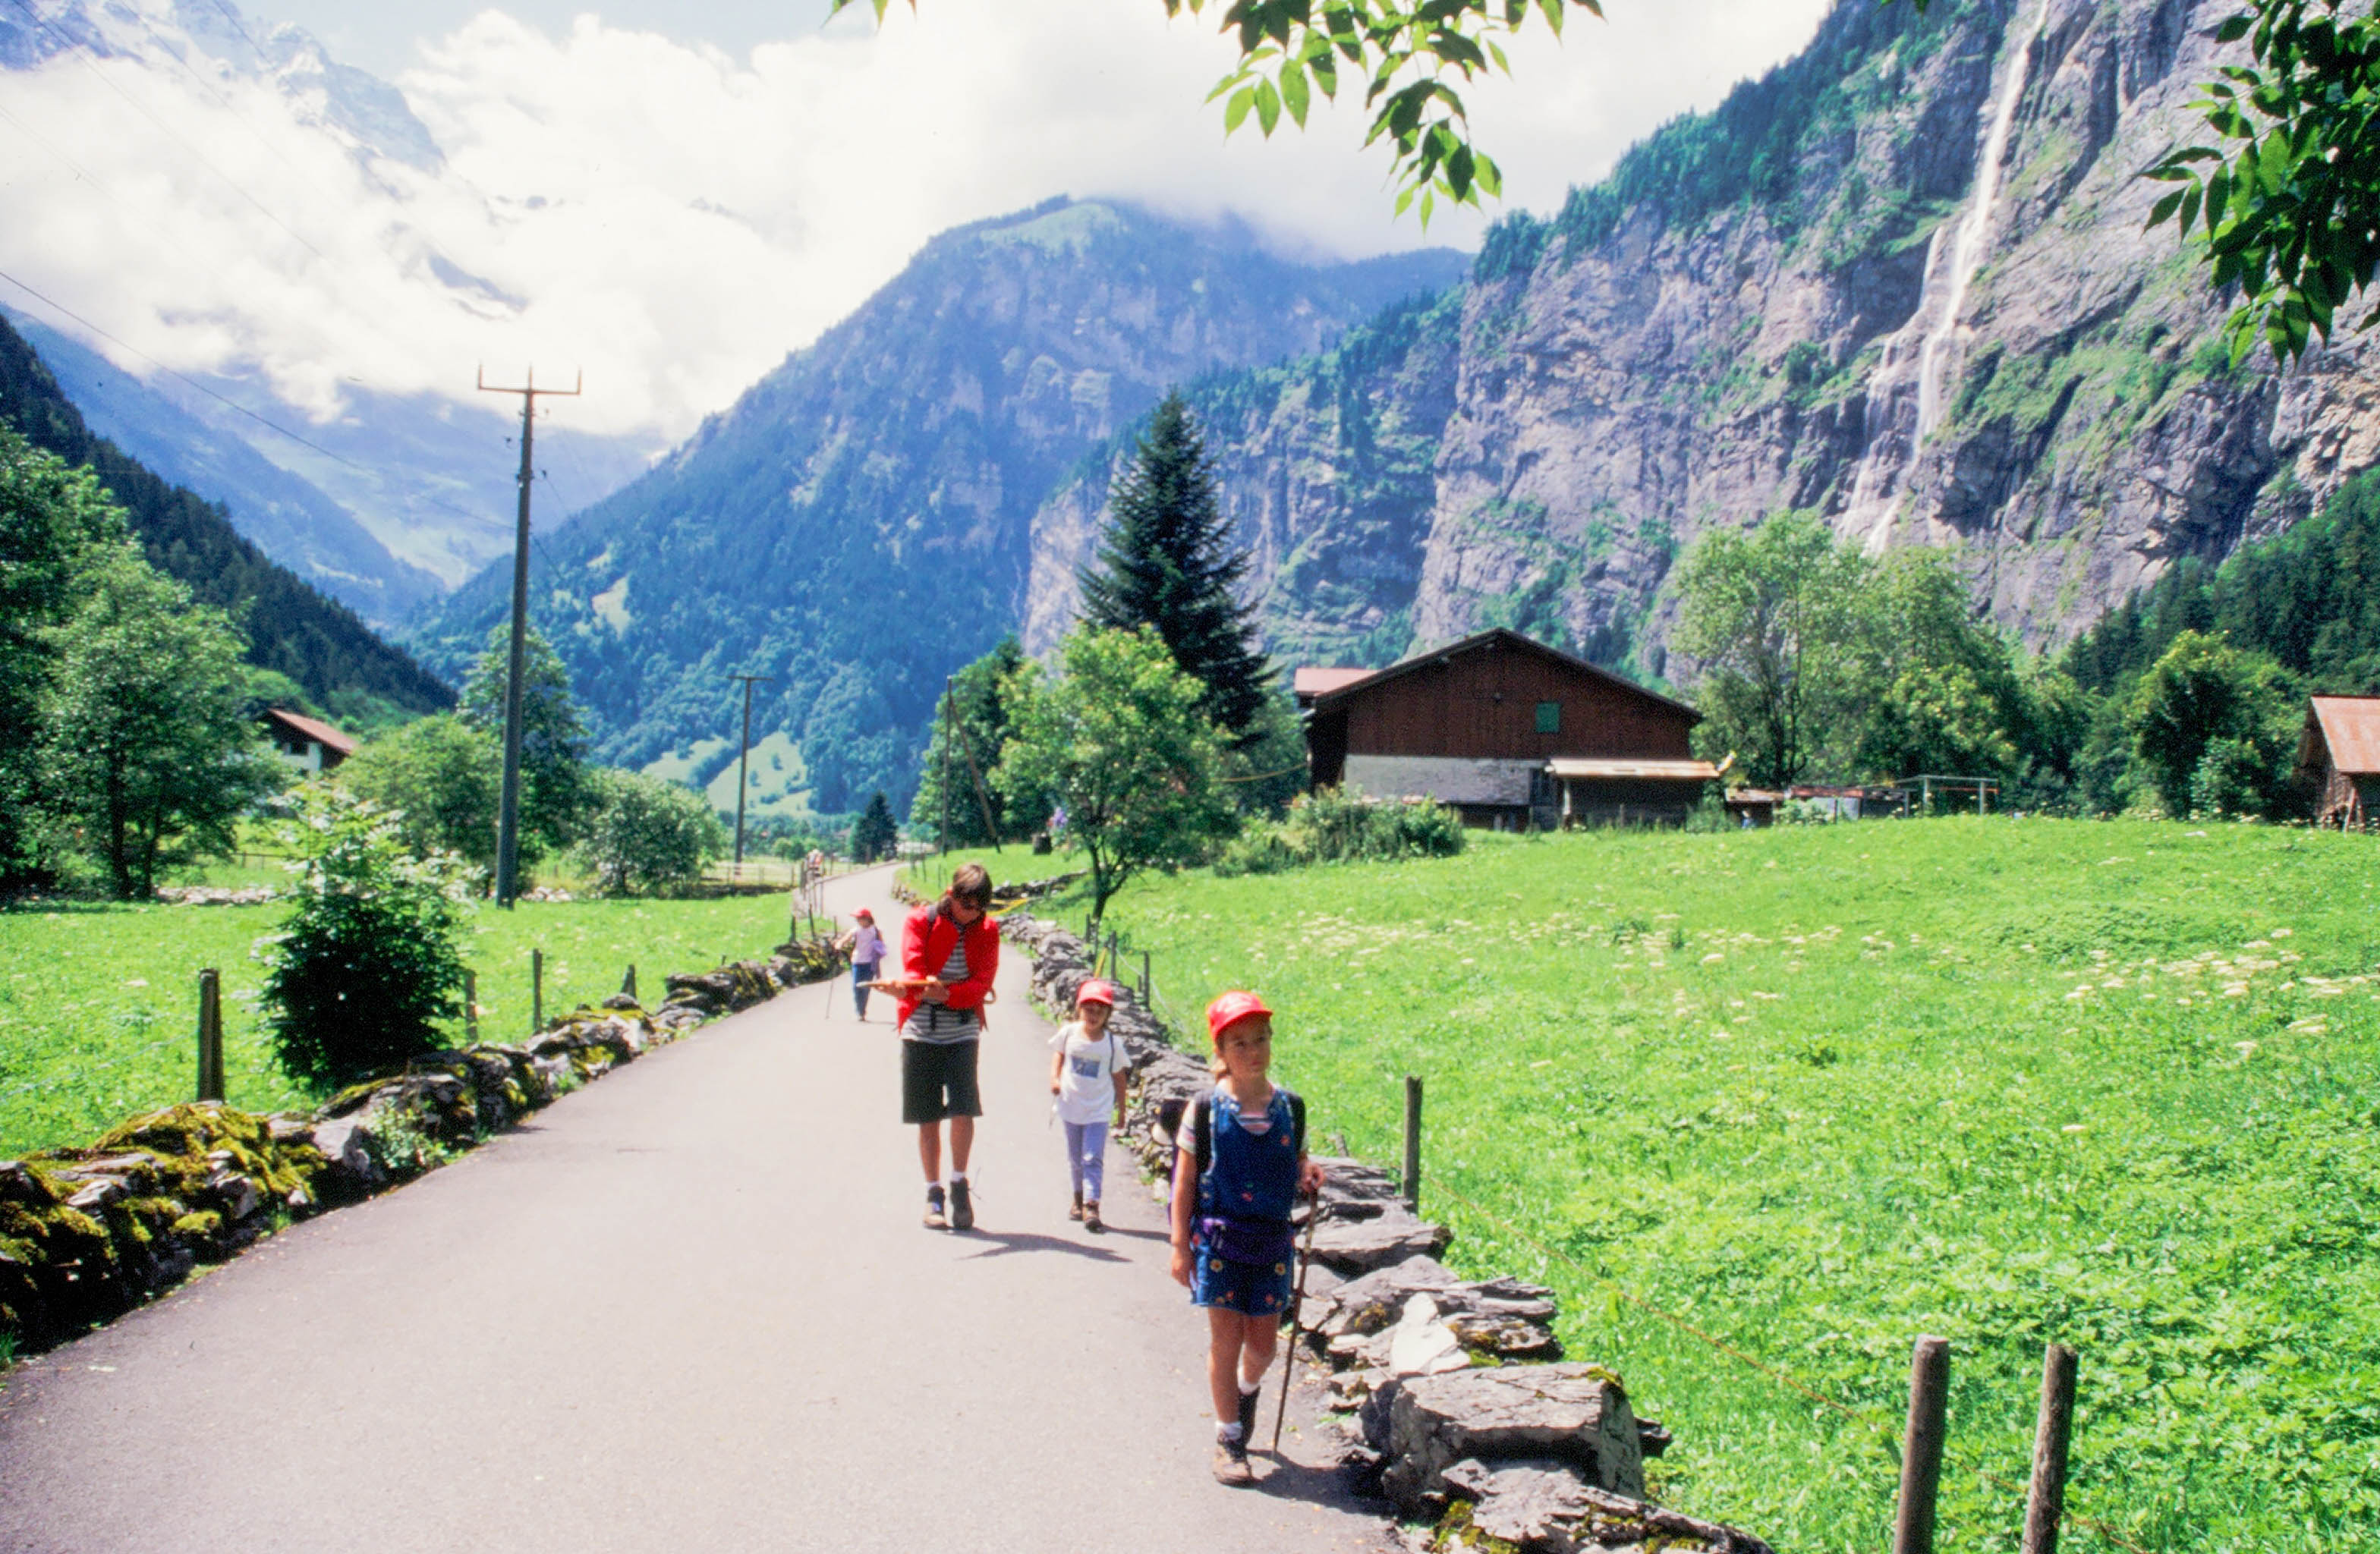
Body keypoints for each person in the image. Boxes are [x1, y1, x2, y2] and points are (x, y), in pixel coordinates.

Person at [1169, 990, 1324, 1486]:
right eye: (1240, 1043)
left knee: (1264, 1346)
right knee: (1226, 1338)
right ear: (1221, 1050)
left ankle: (1246, 1390)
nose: (1253, 1051)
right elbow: (1185, 1181)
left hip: (1272, 1242)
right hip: (1219, 1240)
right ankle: (1229, 1437)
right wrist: (1178, 1246)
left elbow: (1298, 1160)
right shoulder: (1205, 1110)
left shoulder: (1290, 1109)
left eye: (1260, 1039)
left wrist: (1307, 1172)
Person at [897, 863, 998, 1231]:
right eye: (965, 904)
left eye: (978, 907)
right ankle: (933, 1193)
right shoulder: (919, 921)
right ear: (951, 894)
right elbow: (912, 969)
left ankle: (958, 1183)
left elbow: (983, 981)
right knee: (926, 1116)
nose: (970, 913)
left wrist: (948, 994)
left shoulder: (988, 929)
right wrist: (925, 988)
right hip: (921, 1028)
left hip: (963, 1028)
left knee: (963, 1109)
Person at [1047, 978, 1129, 1232]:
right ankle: (1078, 1199)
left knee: (1092, 1157)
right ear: (1079, 1009)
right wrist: (1054, 1078)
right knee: (1076, 1159)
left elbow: (1119, 1077)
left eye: (1100, 1011)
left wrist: (1122, 1111)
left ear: (1108, 1014)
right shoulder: (1069, 1033)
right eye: (1089, 1009)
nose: (1093, 1016)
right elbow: (1058, 1054)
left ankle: (1092, 1205)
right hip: (1072, 1105)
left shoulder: (1112, 1044)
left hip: (1098, 1110)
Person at [848, 908, 886, 1021]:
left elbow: (881, 945)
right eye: (857, 919)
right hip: (857, 962)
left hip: (870, 964)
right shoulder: (856, 930)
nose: (858, 921)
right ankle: (859, 1010)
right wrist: (839, 944)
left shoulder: (875, 931)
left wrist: (879, 951)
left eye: (859, 919)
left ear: (867, 919)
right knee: (856, 986)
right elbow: (846, 938)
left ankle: (862, 1011)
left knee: (866, 988)